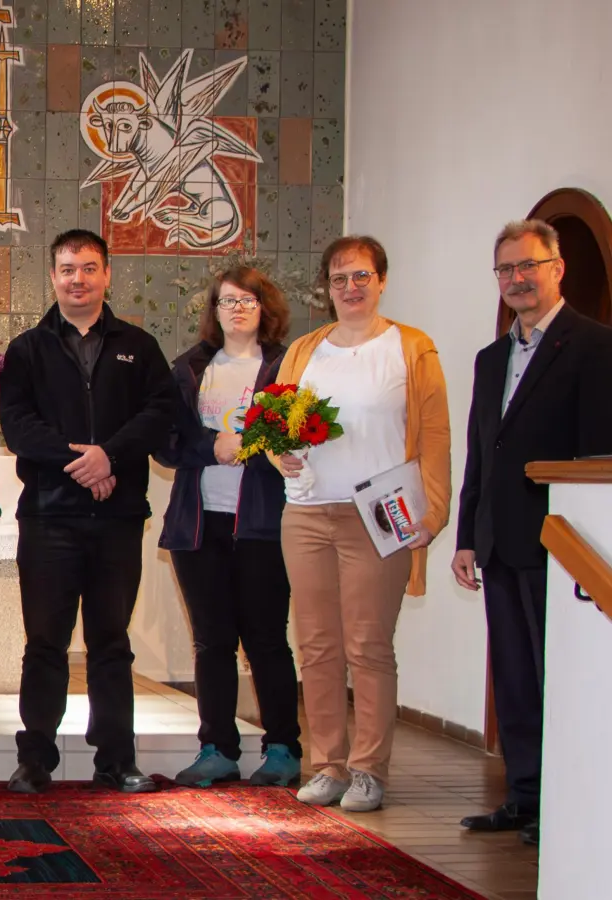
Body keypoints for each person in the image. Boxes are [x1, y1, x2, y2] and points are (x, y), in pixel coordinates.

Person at [0, 229, 176, 795]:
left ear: (107, 275)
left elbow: (160, 413)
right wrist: (83, 463)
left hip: (117, 520)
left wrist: (111, 456)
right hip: (49, 518)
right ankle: (35, 759)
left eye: (89, 268)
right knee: (44, 644)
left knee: (111, 643)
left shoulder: (138, 346)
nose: (78, 279)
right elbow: (18, 426)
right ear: (53, 277)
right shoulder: (27, 349)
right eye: (68, 269)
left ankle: (116, 759)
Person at [277, 235, 451, 813]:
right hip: (306, 513)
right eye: (339, 278)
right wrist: (280, 454)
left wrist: (434, 510)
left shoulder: (411, 348)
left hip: (380, 516)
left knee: (368, 645)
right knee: (316, 645)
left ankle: (369, 771)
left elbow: (434, 435)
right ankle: (328, 765)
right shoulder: (304, 351)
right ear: (326, 288)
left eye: (361, 276)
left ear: (381, 281)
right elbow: (276, 425)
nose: (350, 287)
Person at [454, 220, 612, 846]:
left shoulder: (596, 347)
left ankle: (564, 804)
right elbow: (481, 453)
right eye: (506, 269)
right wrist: (467, 536)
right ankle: (523, 797)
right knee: (515, 681)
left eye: (529, 266)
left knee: (558, 680)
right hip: (499, 542)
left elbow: (598, 453)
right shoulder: (491, 358)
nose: (517, 279)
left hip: (561, 544)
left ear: (557, 268)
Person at [154, 266, 301, 788]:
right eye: (227, 301)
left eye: (247, 300)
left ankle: (283, 748)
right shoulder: (190, 367)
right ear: (213, 311)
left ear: (265, 307)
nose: (237, 309)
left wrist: (254, 448)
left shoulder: (287, 366)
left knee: (266, 640)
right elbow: (166, 442)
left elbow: (302, 437)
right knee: (212, 641)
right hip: (199, 525)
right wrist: (211, 446)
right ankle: (217, 748)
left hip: (263, 524)